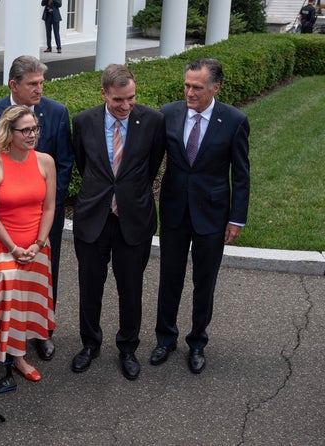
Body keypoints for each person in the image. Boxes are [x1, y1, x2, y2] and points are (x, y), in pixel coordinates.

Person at [150, 58, 250, 375]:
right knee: (170, 278)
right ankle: (165, 339)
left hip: (213, 215)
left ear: (215, 87)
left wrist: (237, 219)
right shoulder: (169, 114)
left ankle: (197, 343)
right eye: (187, 85)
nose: (189, 92)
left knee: (204, 282)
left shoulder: (234, 120)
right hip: (175, 211)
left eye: (197, 87)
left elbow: (242, 175)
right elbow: (152, 161)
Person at [70, 65, 165, 381]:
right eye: (118, 100)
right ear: (103, 94)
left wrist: (127, 195)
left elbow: (150, 166)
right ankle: (90, 345)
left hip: (133, 220)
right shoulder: (84, 121)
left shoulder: (152, 121)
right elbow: (84, 166)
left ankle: (128, 348)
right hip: (93, 220)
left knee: (131, 289)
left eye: (131, 98)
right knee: (89, 288)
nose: (125, 106)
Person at [0, 55, 73, 362]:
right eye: (32, 84)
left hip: (42, 216)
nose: (39, 89)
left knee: (45, 275)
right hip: (3, 222)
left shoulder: (57, 112)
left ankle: (42, 333)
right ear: (14, 85)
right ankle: (5, 336)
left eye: (41, 83)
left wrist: (48, 207)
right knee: (8, 278)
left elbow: (64, 163)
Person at [0, 105, 56, 393]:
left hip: (36, 245)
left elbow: (49, 207)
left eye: (35, 128)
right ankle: (16, 357)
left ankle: (17, 349)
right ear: (9, 132)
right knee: (8, 282)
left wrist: (38, 244)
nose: (32, 134)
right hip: (2, 246)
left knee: (30, 287)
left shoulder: (46, 162)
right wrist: (14, 248)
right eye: (26, 130)